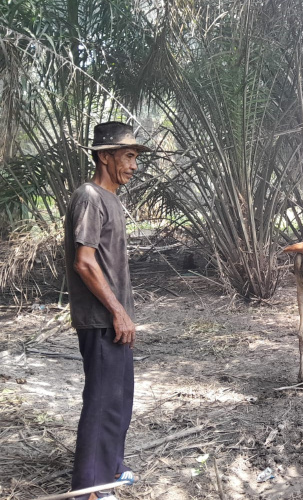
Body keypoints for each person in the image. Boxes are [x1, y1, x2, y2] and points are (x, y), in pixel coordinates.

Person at [65, 121, 150, 499]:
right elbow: (85, 262)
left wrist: (123, 313)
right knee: (102, 403)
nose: (134, 165)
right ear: (104, 156)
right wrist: (117, 311)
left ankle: (110, 474)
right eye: (128, 156)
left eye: (134, 157)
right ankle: (88, 490)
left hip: (115, 319)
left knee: (118, 400)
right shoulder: (90, 196)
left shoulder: (111, 199)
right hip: (101, 319)